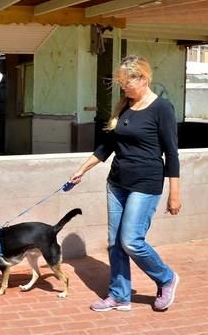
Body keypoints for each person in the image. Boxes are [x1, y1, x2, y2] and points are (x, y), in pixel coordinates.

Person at [70, 55, 182, 312]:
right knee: (114, 242)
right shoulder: (124, 107)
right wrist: (81, 171)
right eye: (121, 82)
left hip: (146, 183)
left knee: (131, 241)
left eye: (126, 82)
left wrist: (174, 193)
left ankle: (166, 278)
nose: (123, 87)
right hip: (117, 183)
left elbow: (172, 153)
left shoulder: (162, 108)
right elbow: (106, 147)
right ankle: (120, 295)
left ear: (142, 78)